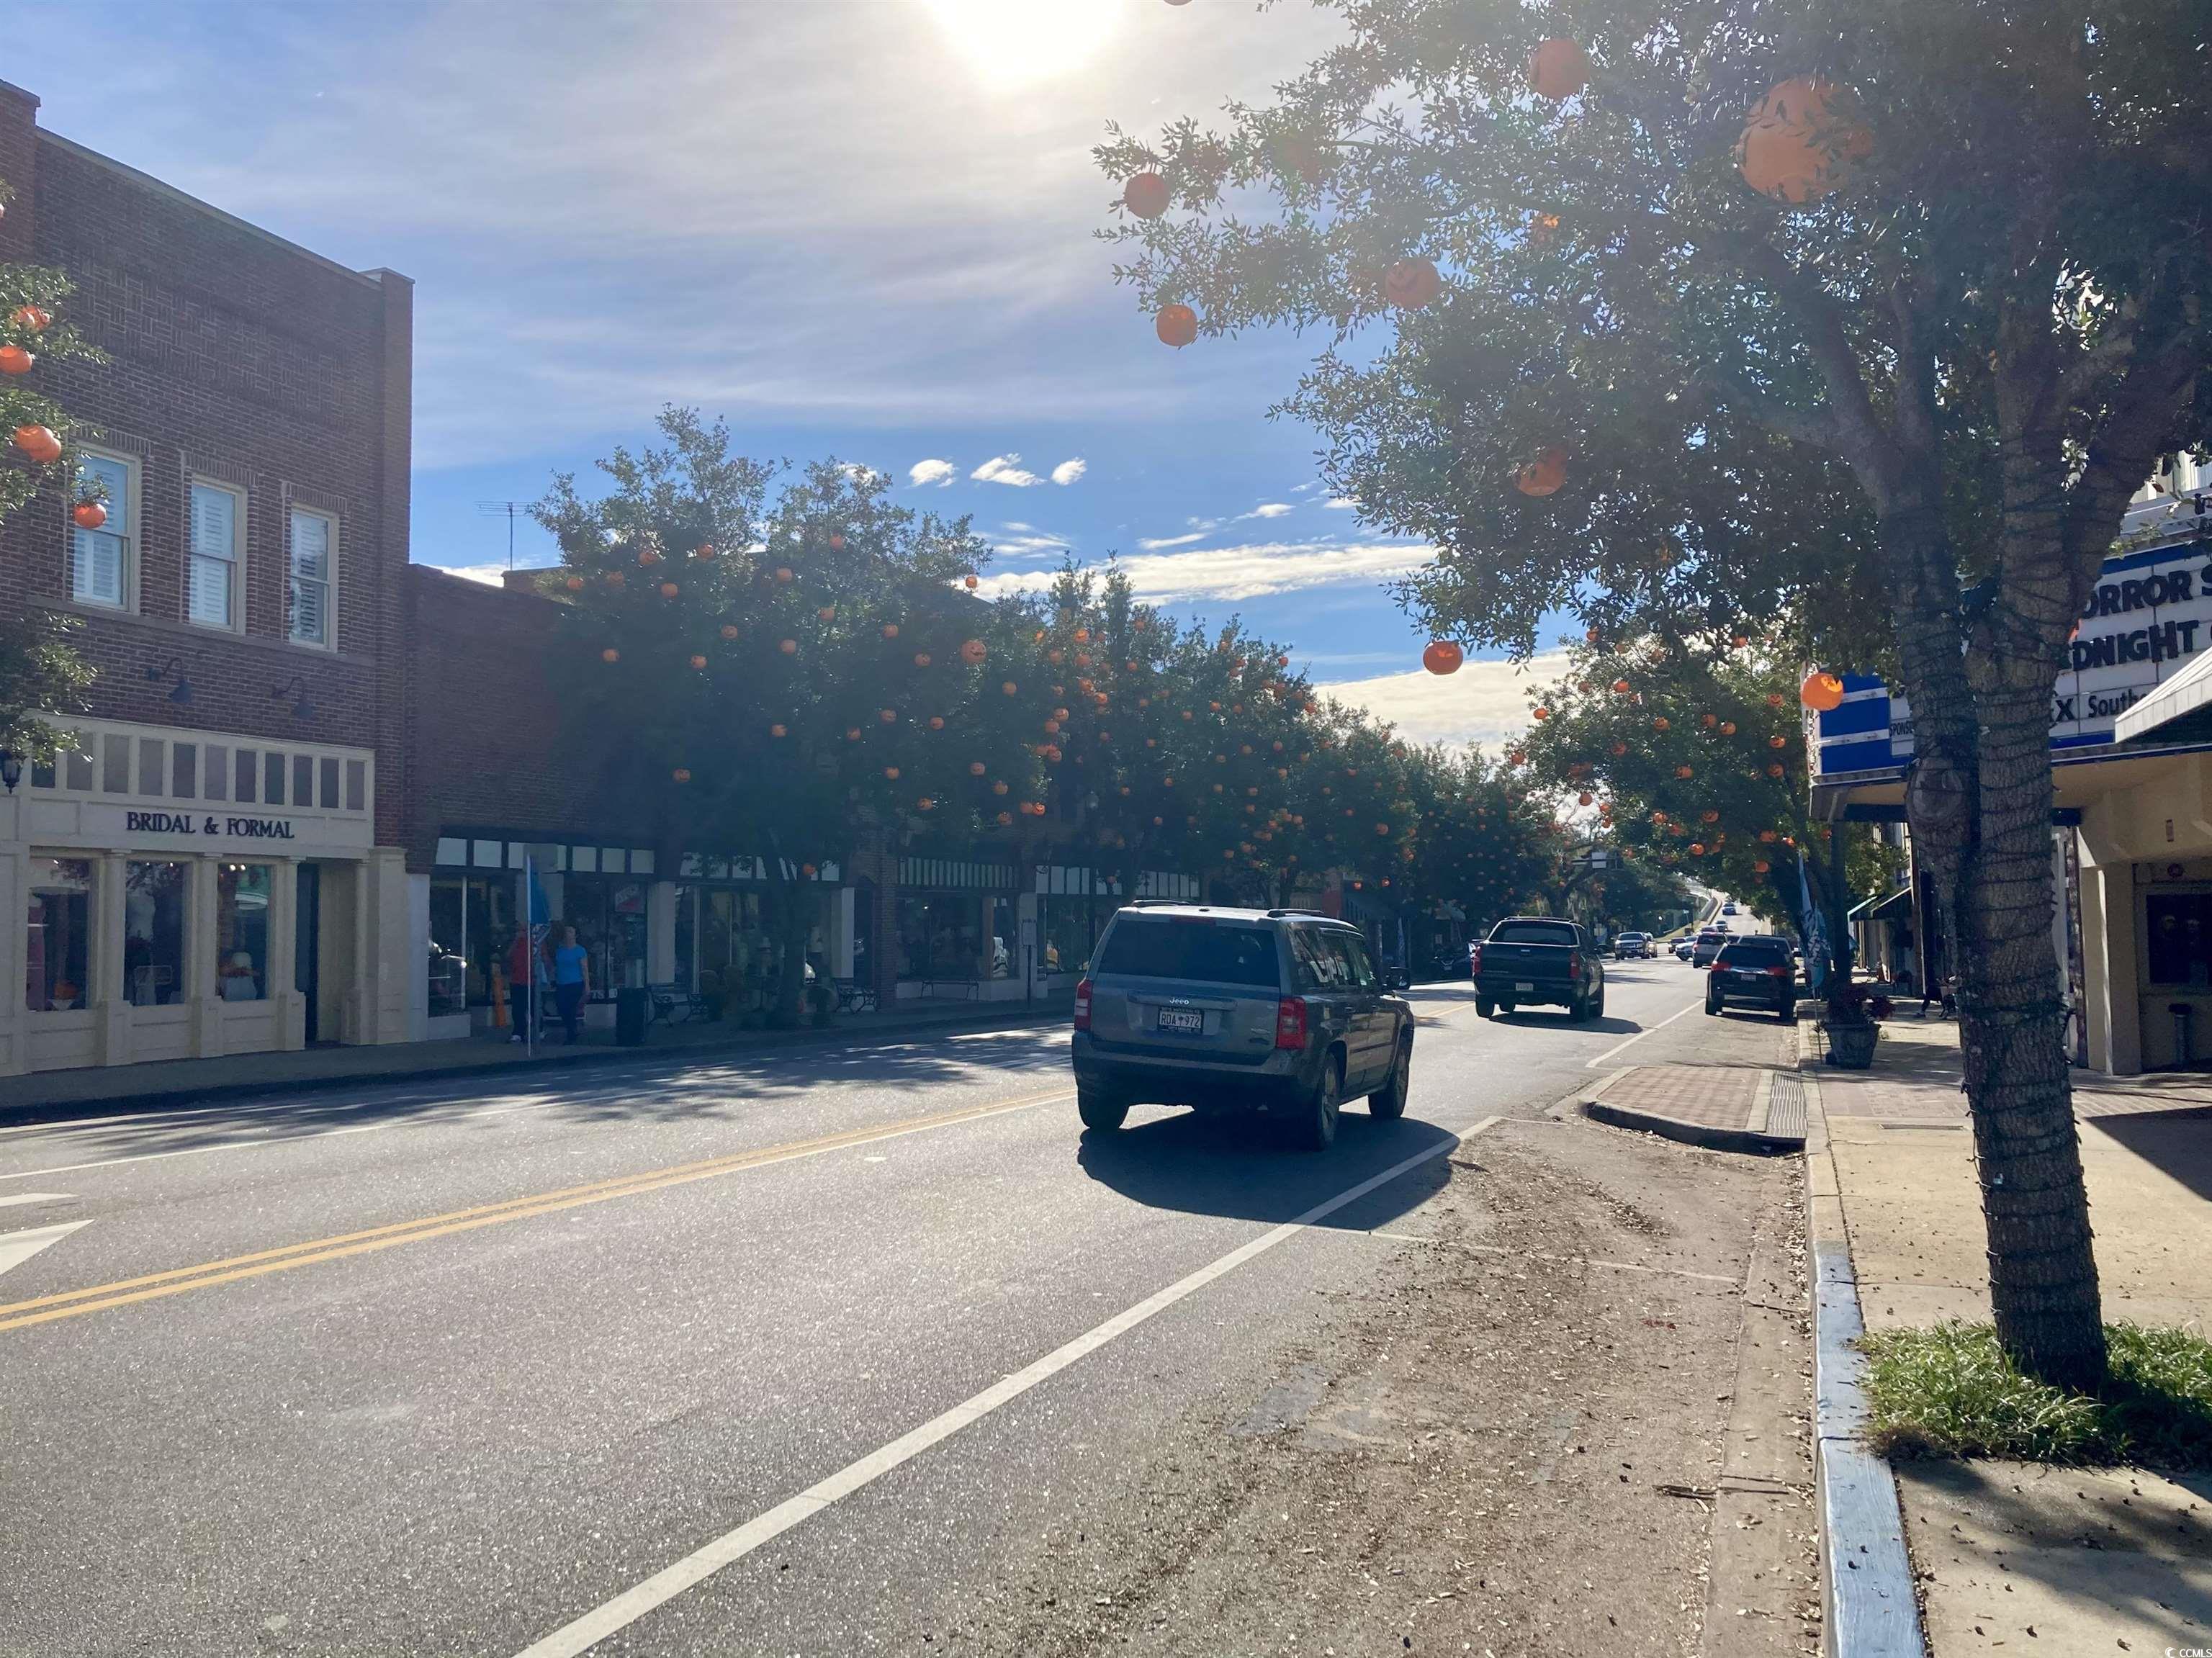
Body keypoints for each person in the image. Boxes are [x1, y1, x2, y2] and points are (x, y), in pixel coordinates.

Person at [551, 924, 590, 1044]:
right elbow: (555, 967)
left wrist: (587, 985)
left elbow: (584, 968)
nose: (568, 934)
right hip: (561, 983)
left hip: (575, 983)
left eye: (571, 931)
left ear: (575, 935)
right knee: (561, 1007)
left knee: (571, 1008)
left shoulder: (580, 950)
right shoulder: (559, 950)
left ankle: (571, 1034)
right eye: (566, 931)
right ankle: (572, 1028)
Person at [505, 927, 542, 1045]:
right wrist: (516, 940)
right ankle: (518, 1033)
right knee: (518, 1009)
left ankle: (539, 1029)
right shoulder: (516, 944)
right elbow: (508, 955)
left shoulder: (536, 943)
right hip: (517, 980)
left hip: (532, 981)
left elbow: (543, 958)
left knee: (533, 1007)